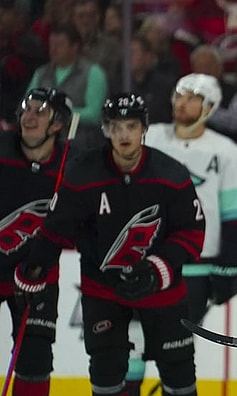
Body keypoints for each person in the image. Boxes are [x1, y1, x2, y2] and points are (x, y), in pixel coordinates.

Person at [14, 93, 205, 396]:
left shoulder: (171, 174)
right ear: (105, 129)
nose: (123, 135)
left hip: (162, 292)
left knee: (180, 376)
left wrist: (157, 270)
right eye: (115, 127)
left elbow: (192, 233)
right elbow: (57, 228)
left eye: (131, 126)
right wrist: (35, 266)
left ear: (144, 128)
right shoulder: (84, 172)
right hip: (102, 290)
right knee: (105, 375)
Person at [146, 73, 237, 323]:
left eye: (192, 99)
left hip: (199, 265)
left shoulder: (226, 151)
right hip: (149, 259)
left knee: (181, 340)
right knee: (136, 337)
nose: (182, 103)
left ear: (209, 107)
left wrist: (228, 263)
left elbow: (235, 214)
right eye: (179, 96)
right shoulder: (149, 138)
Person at [0, 88, 72, 396]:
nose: (28, 117)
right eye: (26, 109)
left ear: (57, 125)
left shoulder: (72, 165)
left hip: (36, 274)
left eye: (39, 112)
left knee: (36, 358)